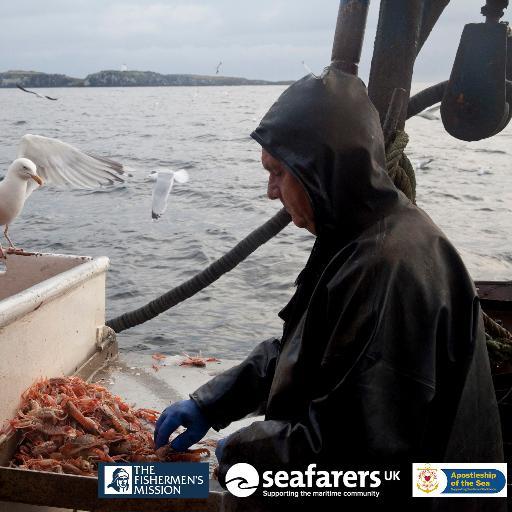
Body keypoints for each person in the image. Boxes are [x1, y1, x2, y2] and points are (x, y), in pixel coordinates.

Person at [154, 67, 504, 507]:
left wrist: (245, 452)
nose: (270, 191)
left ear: (319, 167)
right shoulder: (359, 236)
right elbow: (302, 348)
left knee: (129, 483)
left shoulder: (389, 268)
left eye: (279, 172)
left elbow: (358, 457)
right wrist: (212, 402)